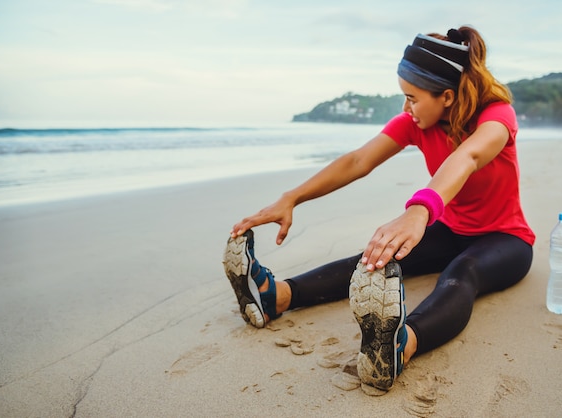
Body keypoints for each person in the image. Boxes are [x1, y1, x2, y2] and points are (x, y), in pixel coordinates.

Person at [223, 26, 535, 394]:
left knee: (462, 272)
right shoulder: (418, 123)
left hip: (506, 239)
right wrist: (291, 197)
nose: (406, 108)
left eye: (412, 98)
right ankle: (278, 295)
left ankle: (401, 346)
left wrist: (420, 210)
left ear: (447, 96)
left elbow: (467, 156)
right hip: (452, 230)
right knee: (374, 258)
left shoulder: (497, 116)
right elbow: (358, 160)